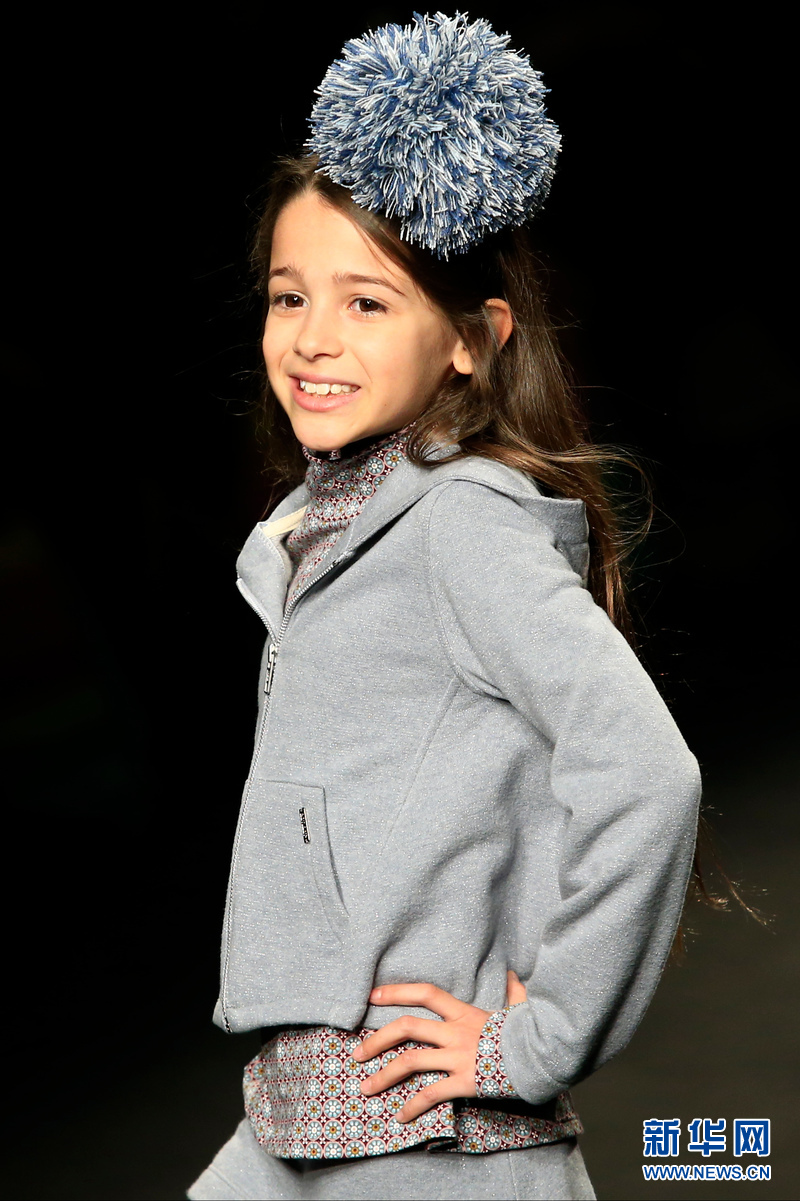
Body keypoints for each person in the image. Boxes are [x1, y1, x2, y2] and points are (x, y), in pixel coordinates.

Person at [188, 14, 701, 1200]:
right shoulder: (325, 536)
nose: (311, 338)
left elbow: (646, 773)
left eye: (367, 304)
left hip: (428, 1150)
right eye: (287, 296)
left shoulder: (457, 528)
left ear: (471, 340)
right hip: (302, 1126)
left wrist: (533, 1041)